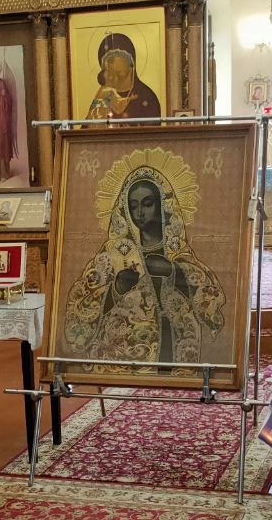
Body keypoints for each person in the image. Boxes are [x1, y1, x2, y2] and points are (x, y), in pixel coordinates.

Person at [65, 158, 223, 370]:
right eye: (133, 206)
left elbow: (208, 291)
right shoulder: (115, 251)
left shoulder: (176, 249)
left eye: (148, 204)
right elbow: (81, 302)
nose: (139, 212)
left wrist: (173, 270)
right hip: (128, 347)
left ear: (162, 205)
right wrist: (117, 288)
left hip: (177, 341)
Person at [87, 33, 162, 120]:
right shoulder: (104, 94)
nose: (115, 79)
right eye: (110, 73)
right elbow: (90, 121)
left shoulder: (147, 97)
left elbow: (152, 127)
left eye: (120, 73)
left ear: (131, 67)